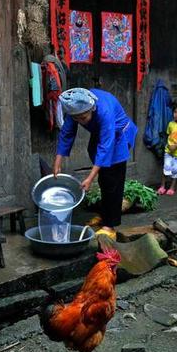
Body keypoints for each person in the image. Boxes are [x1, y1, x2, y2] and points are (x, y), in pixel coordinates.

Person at [52, 87, 137, 242]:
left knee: (112, 181)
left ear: (92, 108)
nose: (80, 121)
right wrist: (58, 160)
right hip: (101, 135)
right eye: (77, 118)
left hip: (117, 136)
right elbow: (67, 132)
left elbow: (106, 147)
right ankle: (105, 216)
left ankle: (110, 225)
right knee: (104, 180)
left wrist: (90, 177)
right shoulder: (75, 107)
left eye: (83, 118)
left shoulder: (104, 112)